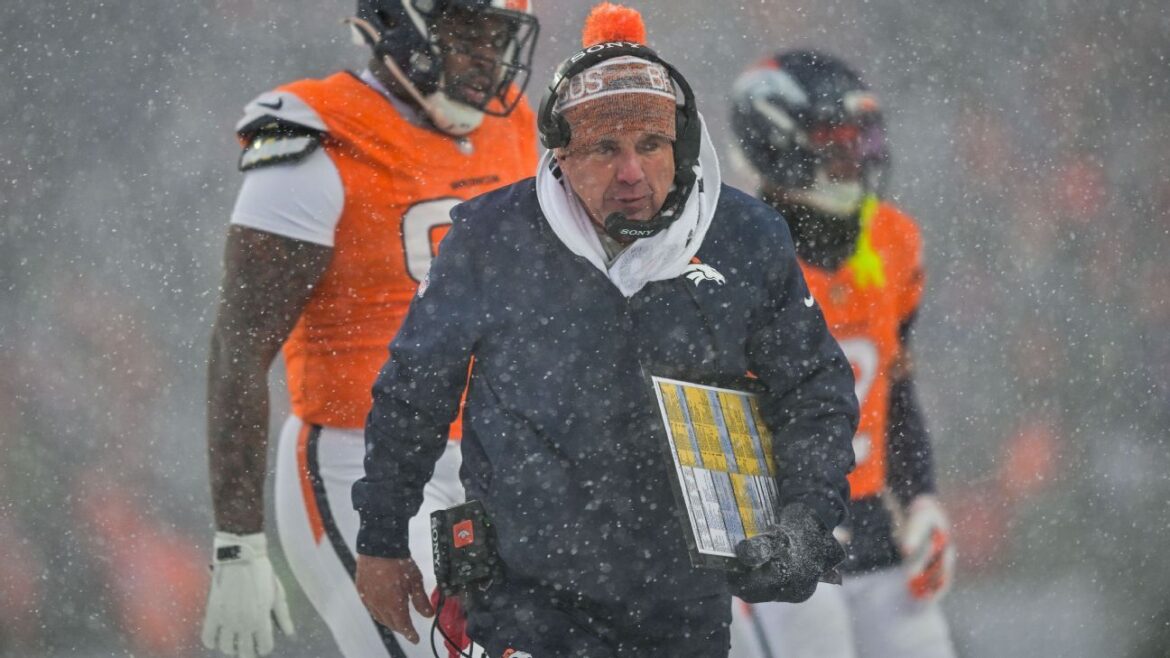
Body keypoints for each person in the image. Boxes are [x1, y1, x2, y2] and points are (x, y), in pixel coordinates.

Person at [353, 4, 859, 657]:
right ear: (561, 155)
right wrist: (381, 538)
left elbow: (814, 389)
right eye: (604, 148)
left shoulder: (747, 238)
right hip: (522, 603)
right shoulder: (490, 237)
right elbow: (413, 393)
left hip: (683, 611)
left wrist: (807, 519)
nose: (631, 173)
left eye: (651, 145)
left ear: (681, 145)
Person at [200, 1, 539, 657]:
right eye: (468, 32)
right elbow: (239, 349)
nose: (487, 58)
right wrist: (238, 541)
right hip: (358, 457)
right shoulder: (317, 137)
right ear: (399, 21)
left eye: (498, 37)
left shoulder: (518, 125)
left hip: (498, 456)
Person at [726, 50, 958, 658]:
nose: (853, 157)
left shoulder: (893, 240)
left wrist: (921, 497)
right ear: (776, 144)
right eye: (833, 140)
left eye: (861, 139)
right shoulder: (736, 259)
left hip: (874, 527)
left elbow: (895, 389)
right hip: (779, 528)